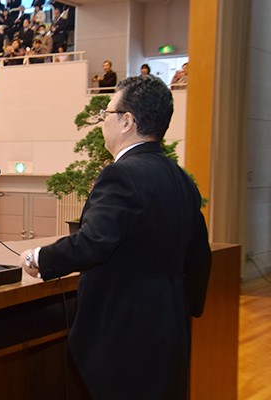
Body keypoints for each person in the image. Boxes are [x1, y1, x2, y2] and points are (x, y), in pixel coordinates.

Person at [19, 75, 211, 400]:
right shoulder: (180, 178)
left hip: (125, 332)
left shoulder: (121, 174)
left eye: (106, 114)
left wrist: (39, 258)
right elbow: (199, 256)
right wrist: (183, 307)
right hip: (171, 327)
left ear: (127, 121)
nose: (101, 123)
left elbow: (95, 241)